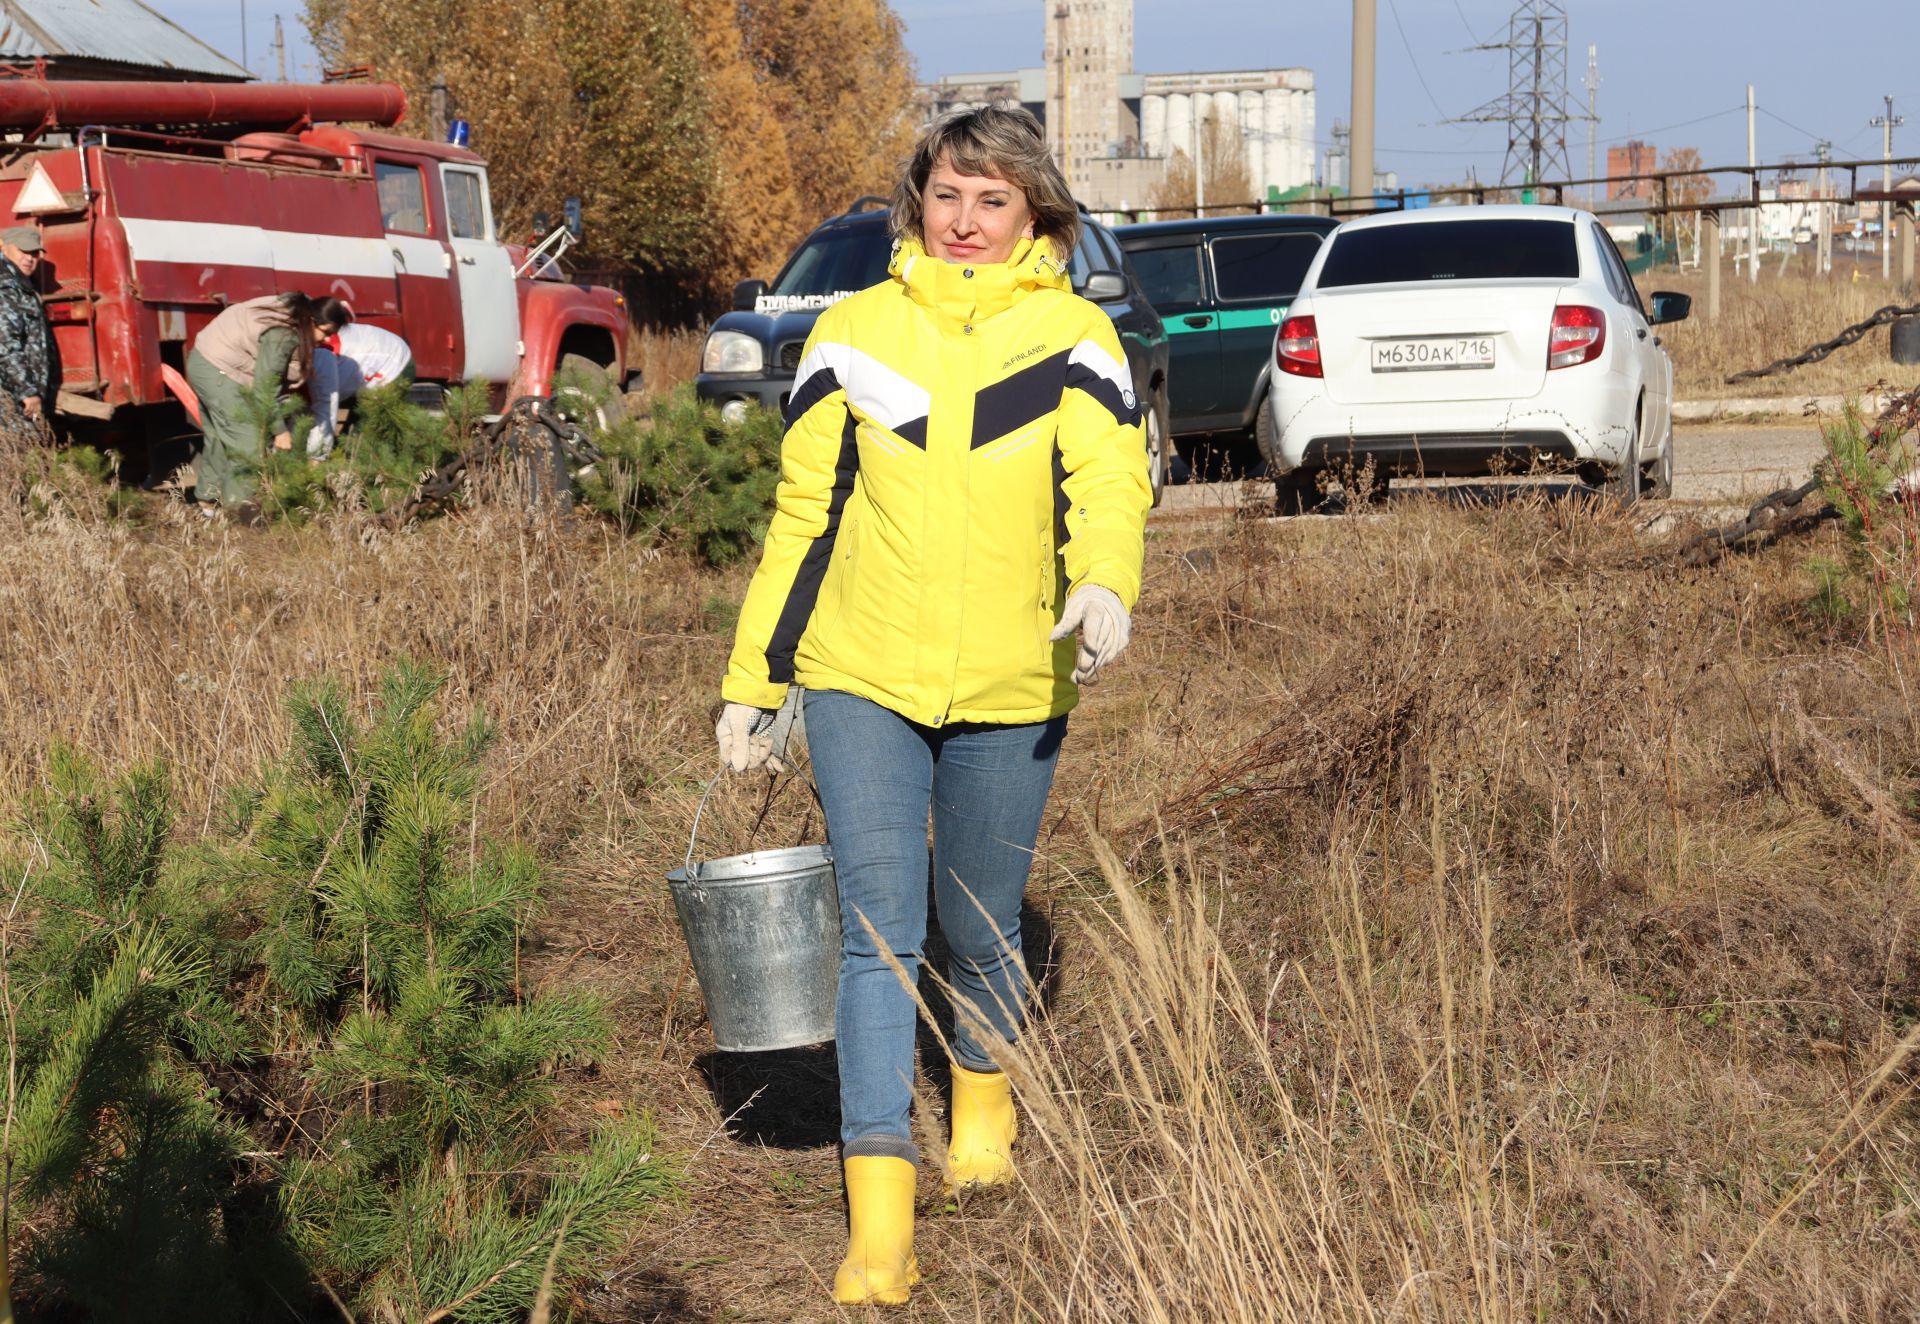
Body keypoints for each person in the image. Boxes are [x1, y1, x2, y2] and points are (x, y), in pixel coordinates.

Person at [713, 106, 1150, 1306]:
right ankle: (880, 1219)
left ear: (1035, 215)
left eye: (992, 198)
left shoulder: (1076, 338)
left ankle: (983, 1096)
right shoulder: (851, 335)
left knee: (984, 918)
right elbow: (803, 520)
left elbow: (1109, 475)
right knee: (878, 935)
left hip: (1019, 676)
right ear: (918, 202)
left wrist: (1107, 578)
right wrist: (756, 681)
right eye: (948, 193)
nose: (965, 220)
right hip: (863, 675)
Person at [186, 293, 348, 509]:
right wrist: (280, 430)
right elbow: (265, 388)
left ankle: (207, 502)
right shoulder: (284, 334)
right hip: (218, 368)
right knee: (248, 442)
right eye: (326, 332)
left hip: (206, 358)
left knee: (222, 436)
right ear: (312, 320)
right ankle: (239, 515)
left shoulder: (301, 311)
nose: (327, 340)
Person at [306, 317, 415, 459]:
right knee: (346, 431)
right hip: (365, 360)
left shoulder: (323, 361)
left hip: (396, 362)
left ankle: (397, 462)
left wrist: (316, 457)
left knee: (366, 431)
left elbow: (326, 408)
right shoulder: (312, 346)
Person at [0, 226, 52, 425]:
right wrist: (27, 391)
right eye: (23, 251)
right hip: (11, 399)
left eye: (34, 253)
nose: (30, 258)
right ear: (5, 249)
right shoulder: (5, 285)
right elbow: (5, 345)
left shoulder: (22, 283)